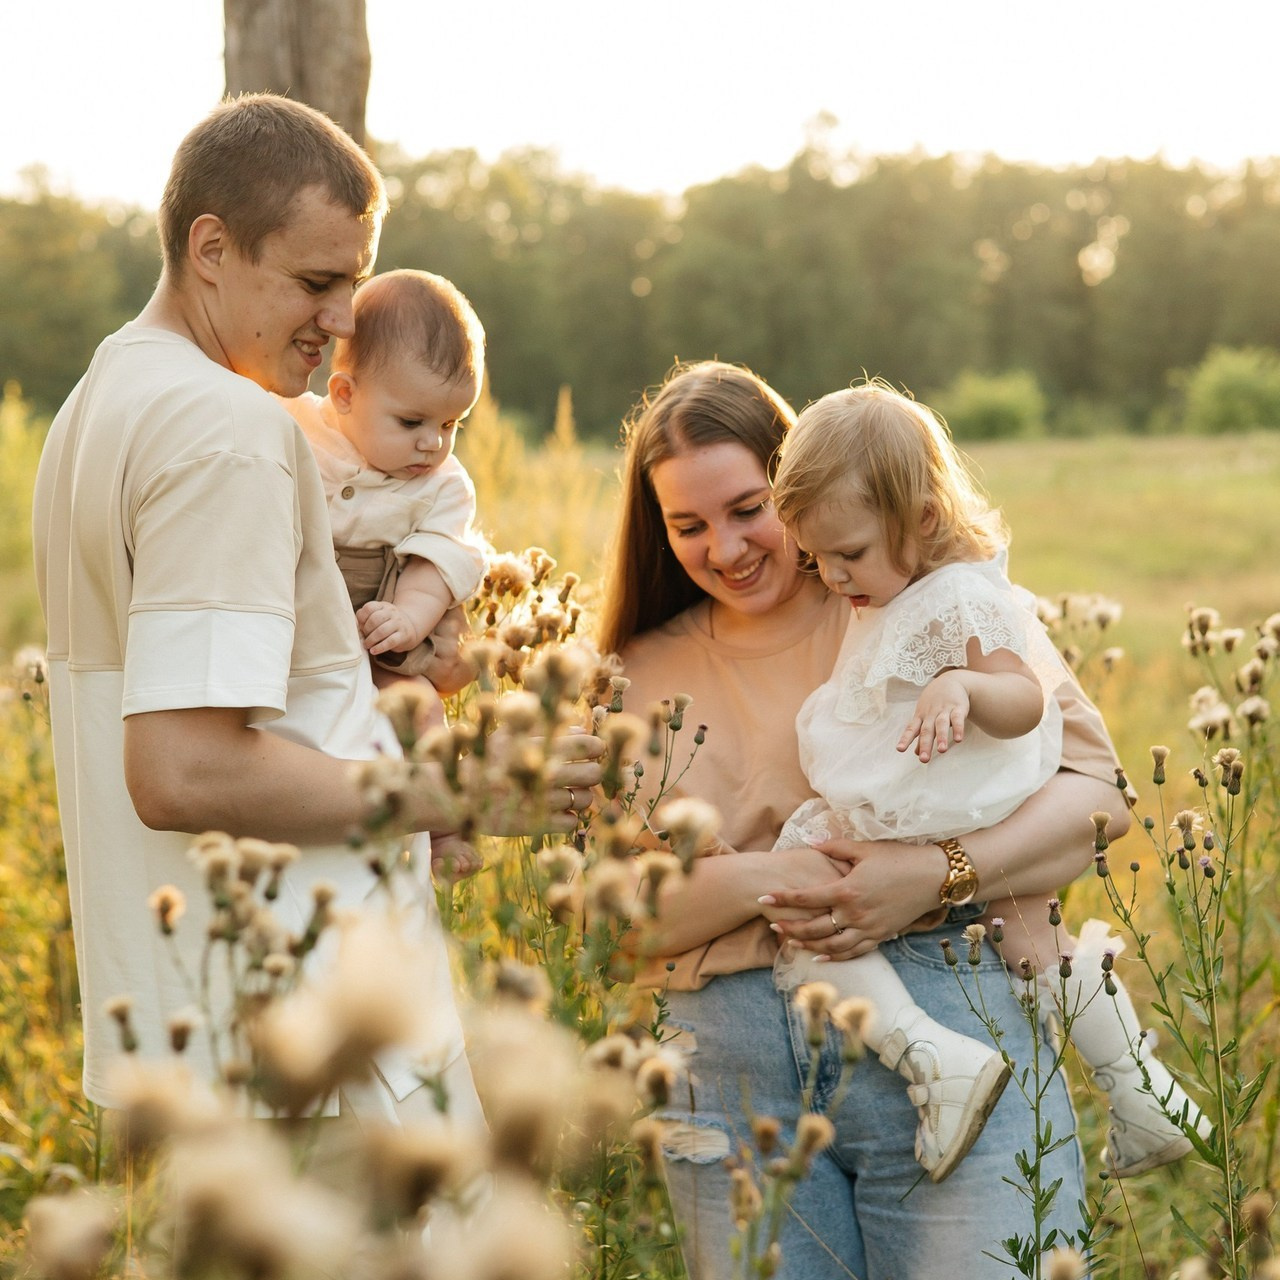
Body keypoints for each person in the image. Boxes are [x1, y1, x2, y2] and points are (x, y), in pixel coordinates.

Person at [31, 94, 600, 1145]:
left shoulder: (94, 405)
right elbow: (181, 769)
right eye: (315, 281)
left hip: (199, 1037)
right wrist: (476, 788)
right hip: (313, 1045)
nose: (345, 319)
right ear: (210, 247)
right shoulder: (227, 427)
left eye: (352, 279)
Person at [596, 360, 1130, 1280]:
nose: (725, 548)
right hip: (731, 1082)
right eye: (688, 525)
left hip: (950, 1013)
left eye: (748, 508)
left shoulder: (926, 606)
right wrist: (786, 877)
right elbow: (614, 924)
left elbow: (1099, 799)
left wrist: (937, 874)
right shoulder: (630, 674)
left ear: (800, 486)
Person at [766, 381, 1207, 1184]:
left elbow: (1024, 696)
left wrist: (964, 689)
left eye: (849, 553)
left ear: (923, 520)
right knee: (1038, 944)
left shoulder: (959, 595)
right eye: (815, 558)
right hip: (965, 801)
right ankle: (1144, 1097)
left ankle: (933, 1058)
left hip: (939, 802)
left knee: (810, 927)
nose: (832, 575)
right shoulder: (899, 586)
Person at [280, 268, 488, 698]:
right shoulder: (295, 422)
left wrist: (408, 620)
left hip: (376, 640)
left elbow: (436, 566)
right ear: (344, 396)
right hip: (291, 626)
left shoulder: (444, 486)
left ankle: (438, 767)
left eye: (451, 423)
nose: (433, 442)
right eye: (411, 422)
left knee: (420, 708)